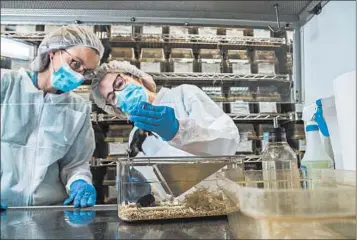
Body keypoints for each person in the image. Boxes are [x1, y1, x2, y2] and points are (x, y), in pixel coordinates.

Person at [0, 25, 104, 210]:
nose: (79, 75)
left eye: (86, 71)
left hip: (47, 211)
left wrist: (80, 181)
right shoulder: (6, 86)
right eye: (75, 63)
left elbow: (76, 164)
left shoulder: (78, 109)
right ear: (53, 53)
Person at [91, 60, 239, 157]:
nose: (120, 95)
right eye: (112, 97)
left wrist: (177, 131)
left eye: (119, 84)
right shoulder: (135, 136)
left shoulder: (184, 95)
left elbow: (228, 143)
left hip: (214, 197)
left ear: (136, 77)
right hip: (169, 205)